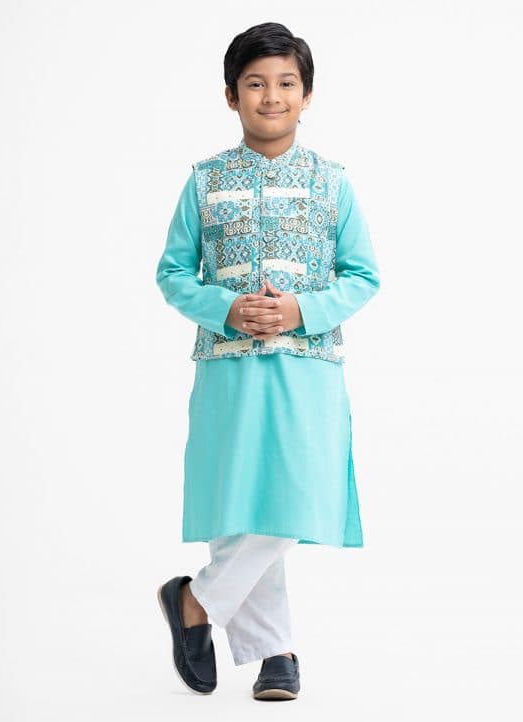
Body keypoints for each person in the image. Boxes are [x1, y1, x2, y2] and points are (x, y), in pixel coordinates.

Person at [155, 21, 381, 701]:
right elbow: (173, 274)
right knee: (239, 504)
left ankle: (195, 601)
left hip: (308, 366)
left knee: (295, 498)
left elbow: (363, 276)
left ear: (307, 94)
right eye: (256, 84)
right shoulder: (204, 182)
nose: (272, 96)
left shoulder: (332, 184)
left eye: (286, 83)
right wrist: (224, 308)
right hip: (228, 366)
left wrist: (300, 311)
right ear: (232, 95)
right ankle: (275, 654)